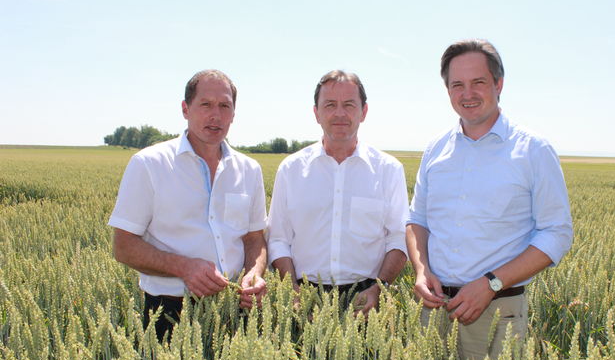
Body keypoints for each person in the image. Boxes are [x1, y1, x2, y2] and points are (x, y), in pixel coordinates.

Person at [406, 39, 573, 360]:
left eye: (478, 82)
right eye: (457, 85)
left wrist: (491, 283)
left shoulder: (533, 150)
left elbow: (557, 233)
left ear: (499, 84)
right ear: (448, 90)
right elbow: (417, 220)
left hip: (497, 310)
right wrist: (423, 271)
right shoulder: (435, 149)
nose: (467, 94)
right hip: (434, 310)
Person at [109, 69, 268, 341]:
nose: (215, 115)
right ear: (186, 109)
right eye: (205, 104)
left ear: (233, 113)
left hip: (234, 309)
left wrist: (254, 274)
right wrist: (184, 268)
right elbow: (123, 247)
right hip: (169, 310)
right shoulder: (149, 164)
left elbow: (255, 239)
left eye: (224, 106)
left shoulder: (249, 169)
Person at [267, 70, 409, 316]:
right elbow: (278, 239)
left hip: (367, 299)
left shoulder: (388, 169)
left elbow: (398, 239)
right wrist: (291, 290)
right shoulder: (291, 169)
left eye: (349, 105)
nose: (340, 114)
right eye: (330, 105)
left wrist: (379, 288)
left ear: (363, 112)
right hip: (304, 298)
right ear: (316, 113)